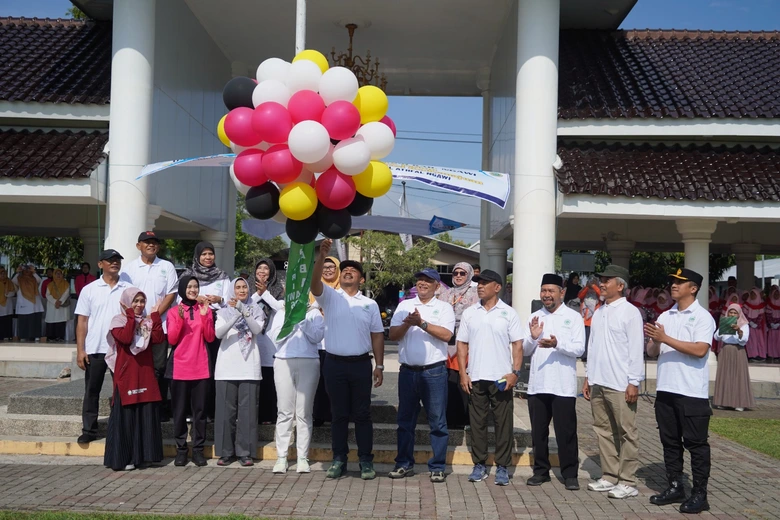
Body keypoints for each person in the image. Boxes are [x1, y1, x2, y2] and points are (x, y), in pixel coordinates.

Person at [311, 238, 384, 480]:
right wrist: (321, 256)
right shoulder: (330, 297)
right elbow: (313, 284)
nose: (349, 272)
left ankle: (365, 461)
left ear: (361, 279)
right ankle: (339, 459)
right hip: (334, 364)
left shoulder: (370, 304)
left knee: (362, 415)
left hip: (361, 364)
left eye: (354, 270)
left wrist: (380, 365)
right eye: (345, 270)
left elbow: (377, 336)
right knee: (339, 414)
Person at [645, 268, 716, 514]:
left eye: (679, 282)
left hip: (691, 392)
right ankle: (675, 485)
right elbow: (652, 352)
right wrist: (654, 340)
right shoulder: (666, 315)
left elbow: (699, 350)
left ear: (693, 288)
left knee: (696, 445)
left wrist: (665, 338)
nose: (673, 285)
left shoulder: (703, 317)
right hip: (666, 388)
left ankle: (700, 494)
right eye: (673, 282)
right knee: (670, 442)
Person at [581, 265, 644, 499]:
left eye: (607, 280)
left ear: (620, 285)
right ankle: (609, 476)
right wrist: (589, 377)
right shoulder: (599, 311)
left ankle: (628, 480)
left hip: (620, 383)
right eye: (601, 280)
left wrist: (633, 381)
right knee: (603, 431)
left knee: (627, 431)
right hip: (599, 380)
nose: (602, 284)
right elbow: (593, 347)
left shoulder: (630, 312)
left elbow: (636, 349)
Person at [389, 267, 455, 483]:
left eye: (428, 281)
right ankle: (404, 464)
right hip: (408, 372)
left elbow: (446, 335)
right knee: (405, 421)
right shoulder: (405, 306)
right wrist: (408, 323)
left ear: (437, 286)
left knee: (437, 421)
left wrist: (422, 323)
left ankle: (437, 466)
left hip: (434, 372)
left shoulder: (444, 308)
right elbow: (393, 335)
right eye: (420, 280)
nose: (423, 283)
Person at [457, 269, 523, 486]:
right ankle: (480, 464)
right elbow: (462, 344)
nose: (480, 286)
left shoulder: (509, 313)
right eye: (478, 282)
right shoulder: (469, 313)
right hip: (475, 376)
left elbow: (517, 345)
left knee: (503, 423)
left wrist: (515, 373)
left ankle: (503, 466)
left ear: (497, 287)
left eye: (485, 283)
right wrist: (462, 373)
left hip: (501, 377)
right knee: (477, 424)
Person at [523, 273, 585, 490]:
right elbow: (524, 350)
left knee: (566, 432)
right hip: (538, 384)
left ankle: (570, 474)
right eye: (544, 291)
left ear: (562, 293)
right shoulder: (535, 316)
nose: (546, 295)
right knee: (538, 432)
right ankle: (541, 471)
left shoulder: (573, 317)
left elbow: (579, 349)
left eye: (551, 291)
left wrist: (558, 344)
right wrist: (532, 336)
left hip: (563, 386)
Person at [120, 231, 179, 420]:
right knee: (139, 366)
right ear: (139, 246)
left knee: (159, 366)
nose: (151, 245)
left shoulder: (167, 266)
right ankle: (140, 404)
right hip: (136, 327)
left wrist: (154, 317)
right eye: (147, 242)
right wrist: (137, 318)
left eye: (154, 242)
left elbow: (171, 294)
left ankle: (159, 407)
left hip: (158, 325)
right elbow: (125, 297)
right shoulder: (129, 269)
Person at [74, 250, 132, 444]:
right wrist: (80, 350)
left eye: (117, 260)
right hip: (95, 348)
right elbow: (82, 321)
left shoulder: (129, 289)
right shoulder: (89, 289)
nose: (115, 263)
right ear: (100, 264)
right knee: (92, 390)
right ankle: (89, 429)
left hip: (121, 349)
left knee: (121, 391)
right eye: (110, 260)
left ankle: (120, 428)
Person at [103, 287, 164, 471]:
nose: (139, 305)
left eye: (141, 301)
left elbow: (159, 338)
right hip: (126, 375)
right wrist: (130, 315)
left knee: (145, 415)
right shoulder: (118, 320)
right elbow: (126, 337)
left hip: (145, 373)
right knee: (127, 417)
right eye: (135, 301)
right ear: (127, 303)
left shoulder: (146, 322)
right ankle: (125, 457)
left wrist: (154, 316)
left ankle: (145, 456)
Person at [268, 296, 325, 474]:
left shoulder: (314, 313)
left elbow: (317, 336)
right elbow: (275, 337)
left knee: (304, 412)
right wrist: (292, 319)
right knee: (284, 411)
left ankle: (302, 457)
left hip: (309, 361)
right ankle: (281, 457)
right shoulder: (282, 312)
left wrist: (303, 319)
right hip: (284, 361)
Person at [214, 278, 265, 467]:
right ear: (232, 291)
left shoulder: (257, 310)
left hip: (249, 367)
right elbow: (218, 334)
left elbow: (256, 329)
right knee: (226, 413)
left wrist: (244, 310)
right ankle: (226, 452)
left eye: (244, 287)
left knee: (248, 413)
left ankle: (245, 452)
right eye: (238, 287)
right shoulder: (222, 312)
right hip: (227, 368)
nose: (242, 290)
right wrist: (235, 314)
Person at [166, 275, 215, 467]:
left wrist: (204, 316)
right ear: (183, 289)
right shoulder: (173, 311)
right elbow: (172, 339)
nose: (193, 290)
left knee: (200, 413)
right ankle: (181, 450)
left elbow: (210, 338)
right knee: (178, 412)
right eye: (190, 287)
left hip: (201, 367)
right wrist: (179, 319)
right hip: (179, 368)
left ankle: (197, 450)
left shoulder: (205, 310)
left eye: (196, 287)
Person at [180, 242, 230, 422]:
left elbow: (230, 302)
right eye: (204, 254)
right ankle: (189, 410)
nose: (208, 257)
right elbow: (180, 297)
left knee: (212, 367)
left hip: (215, 324)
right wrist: (194, 298)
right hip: (192, 324)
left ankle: (209, 410)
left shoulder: (223, 276)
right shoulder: (188, 275)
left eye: (211, 253)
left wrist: (219, 299)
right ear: (197, 256)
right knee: (193, 366)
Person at [438, 262, 479, 429]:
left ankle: (466, 419)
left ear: (469, 274)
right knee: (447, 381)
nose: (459, 276)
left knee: (463, 382)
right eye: (456, 273)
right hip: (445, 343)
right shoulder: (444, 294)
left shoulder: (477, 294)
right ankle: (449, 418)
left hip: (466, 343)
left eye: (463, 273)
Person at [251, 258, 285, 424]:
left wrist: (265, 293)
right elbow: (246, 306)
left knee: (270, 380)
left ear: (271, 272)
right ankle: (253, 414)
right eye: (259, 268)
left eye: (266, 269)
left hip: (271, 340)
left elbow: (279, 307)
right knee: (254, 379)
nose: (262, 272)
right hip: (253, 340)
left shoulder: (279, 289)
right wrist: (258, 294)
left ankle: (268, 415)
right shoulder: (248, 287)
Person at [312, 256, 340, 427]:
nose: (328, 270)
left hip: (335, 343)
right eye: (325, 267)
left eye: (332, 267)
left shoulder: (342, 291)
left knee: (334, 382)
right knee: (318, 381)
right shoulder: (313, 289)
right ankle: (318, 415)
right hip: (316, 344)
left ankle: (334, 415)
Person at [712, 303, 754, 411]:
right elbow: (716, 337)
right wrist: (723, 328)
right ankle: (724, 401)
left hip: (738, 351)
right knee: (725, 375)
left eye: (735, 312)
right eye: (731, 312)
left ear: (739, 314)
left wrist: (738, 330)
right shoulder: (725, 323)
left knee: (738, 375)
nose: (732, 314)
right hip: (726, 350)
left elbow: (744, 340)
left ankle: (739, 402)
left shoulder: (744, 324)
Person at [13, 265, 44, 342]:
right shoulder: (19, 279)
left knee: (35, 320)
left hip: (34, 304)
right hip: (23, 302)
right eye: (25, 269)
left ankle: (36, 336)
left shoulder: (34, 278)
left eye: (28, 270)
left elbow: (40, 280)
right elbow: (13, 281)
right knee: (24, 320)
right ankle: (23, 336)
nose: (27, 271)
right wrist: (17, 272)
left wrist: (34, 272)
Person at [45, 268, 71, 342]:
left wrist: (60, 302)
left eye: (60, 274)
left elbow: (66, 293)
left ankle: (60, 336)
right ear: (54, 275)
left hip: (61, 306)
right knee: (51, 320)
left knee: (60, 321)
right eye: (57, 274)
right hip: (52, 306)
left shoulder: (66, 284)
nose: (59, 275)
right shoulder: (50, 285)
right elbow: (47, 295)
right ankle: (51, 337)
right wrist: (55, 302)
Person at [577, 279, 601, 361]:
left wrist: (594, 287)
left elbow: (601, 296)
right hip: (585, 319)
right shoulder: (585, 291)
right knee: (585, 338)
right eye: (591, 282)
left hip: (595, 319)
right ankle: (584, 355)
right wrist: (587, 287)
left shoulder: (600, 292)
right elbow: (580, 295)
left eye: (594, 282)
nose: (592, 284)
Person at [743, 287, 767, 362]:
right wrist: (750, 322)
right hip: (749, 326)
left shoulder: (760, 305)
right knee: (751, 341)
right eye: (751, 294)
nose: (752, 296)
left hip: (758, 327)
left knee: (760, 340)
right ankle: (753, 355)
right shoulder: (746, 304)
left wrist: (756, 323)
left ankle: (761, 355)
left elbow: (761, 315)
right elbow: (744, 315)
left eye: (754, 294)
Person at [0, 267, 17, 341]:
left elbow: (13, 292)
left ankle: (8, 335)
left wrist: (7, 294)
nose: (3, 275)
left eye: (4, 274)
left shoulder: (9, 282)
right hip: (0, 305)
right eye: (1, 274)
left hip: (8, 304)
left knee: (7, 320)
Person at [766, 285, 780, 363]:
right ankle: (773, 355)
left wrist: (778, 324)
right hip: (772, 326)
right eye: (775, 294)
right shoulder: (770, 303)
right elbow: (768, 314)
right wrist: (771, 323)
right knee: (772, 341)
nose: (776, 295)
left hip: (779, 326)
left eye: (778, 294)